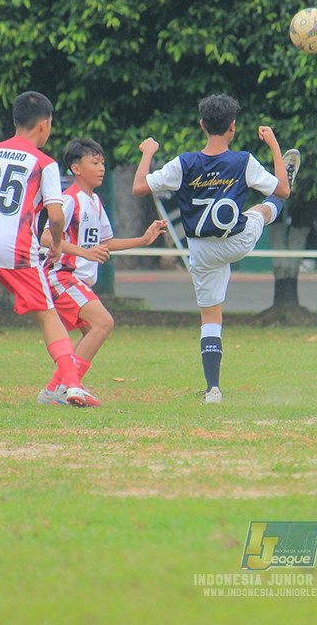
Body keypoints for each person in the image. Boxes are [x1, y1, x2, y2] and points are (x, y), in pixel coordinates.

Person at [132, 94, 292, 404]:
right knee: (268, 206)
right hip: (237, 241)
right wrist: (273, 145)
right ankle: (282, 177)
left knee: (210, 317)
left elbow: (139, 187)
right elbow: (282, 188)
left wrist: (149, 152)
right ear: (233, 127)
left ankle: (213, 390)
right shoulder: (243, 160)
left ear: (202, 125)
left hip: (202, 250)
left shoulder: (185, 162)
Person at [0, 91, 89, 407]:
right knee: (47, 314)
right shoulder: (45, 163)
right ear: (45, 124)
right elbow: (55, 213)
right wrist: (55, 243)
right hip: (15, 247)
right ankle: (72, 385)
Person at [37, 138, 168, 407]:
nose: (101, 168)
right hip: (61, 276)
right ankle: (68, 389)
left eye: (103, 163)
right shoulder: (69, 199)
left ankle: (52, 390)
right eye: (94, 163)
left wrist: (142, 240)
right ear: (76, 168)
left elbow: (105, 243)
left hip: (77, 280)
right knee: (103, 323)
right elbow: (46, 236)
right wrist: (83, 252)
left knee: (92, 331)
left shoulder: (94, 201)